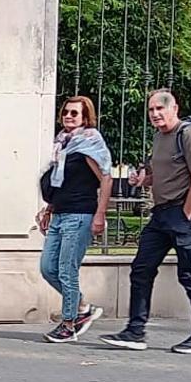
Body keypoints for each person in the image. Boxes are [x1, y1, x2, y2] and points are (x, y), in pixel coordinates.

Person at [100, 89, 191, 354]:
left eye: (159, 109)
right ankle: (135, 331)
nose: (154, 114)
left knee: (190, 275)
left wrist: (187, 215)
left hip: (183, 214)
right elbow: (164, 173)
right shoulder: (159, 137)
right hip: (161, 214)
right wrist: (144, 180)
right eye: (151, 110)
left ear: (174, 108)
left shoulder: (189, 135)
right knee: (141, 269)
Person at [36, 96, 113, 343]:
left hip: (80, 214)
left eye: (74, 114)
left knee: (67, 270)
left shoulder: (89, 143)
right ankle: (81, 307)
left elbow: (106, 178)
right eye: (66, 112)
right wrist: (48, 209)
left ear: (85, 117)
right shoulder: (62, 144)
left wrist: (100, 214)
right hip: (60, 213)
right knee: (48, 268)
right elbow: (62, 183)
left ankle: (69, 324)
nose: (68, 116)